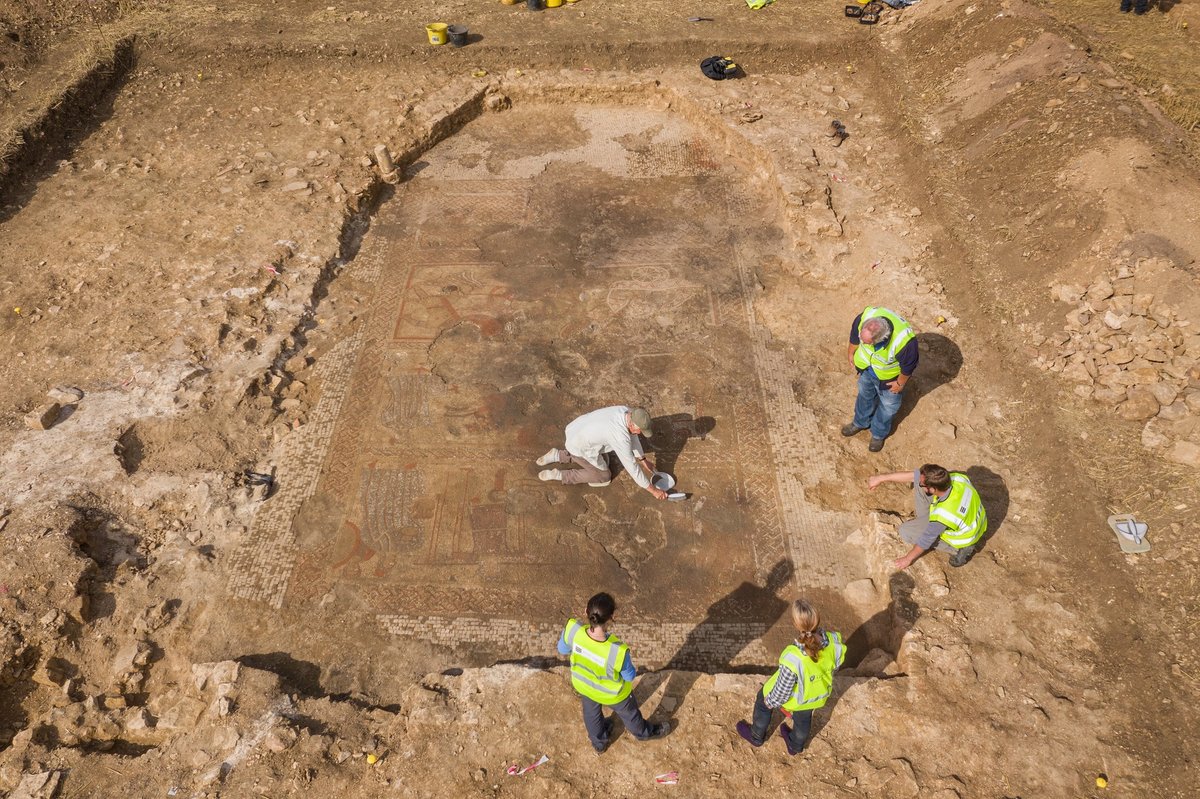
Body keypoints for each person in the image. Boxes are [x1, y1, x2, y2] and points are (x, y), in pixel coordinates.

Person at [557, 592, 670, 753]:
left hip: (584, 686)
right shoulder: (617, 651)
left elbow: (562, 649)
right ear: (611, 617)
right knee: (630, 715)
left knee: (591, 715)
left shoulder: (572, 630)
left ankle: (599, 744)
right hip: (613, 694)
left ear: (586, 611)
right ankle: (643, 734)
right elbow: (629, 676)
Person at [736, 599, 844, 755]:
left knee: (762, 702)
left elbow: (782, 690)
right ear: (817, 620)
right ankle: (795, 746)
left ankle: (756, 736)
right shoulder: (833, 640)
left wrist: (771, 702)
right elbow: (836, 664)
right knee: (804, 719)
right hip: (815, 695)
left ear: (796, 625)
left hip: (797, 698)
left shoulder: (793, 657)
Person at [868, 464, 987, 569]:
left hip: (965, 536)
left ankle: (959, 549)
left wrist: (908, 559)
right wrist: (881, 478)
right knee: (920, 485)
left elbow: (926, 539)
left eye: (924, 485)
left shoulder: (945, 514)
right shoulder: (956, 478)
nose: (919, 483)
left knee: (906, 532)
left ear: (933, 489)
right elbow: (915, 477)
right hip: (971, 518)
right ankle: (924, 522)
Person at [536, 406, 667, 499]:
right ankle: (560, 475)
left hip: (576, 429)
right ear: (632, 424)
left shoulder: (626, 411)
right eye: (640, 431)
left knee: (604, 457)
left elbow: (633, 436)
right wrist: (654, 490)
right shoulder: (619, 436)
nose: (640, 434)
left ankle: (557, 455)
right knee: (603, 476)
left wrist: (643, 460)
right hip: (578, 446)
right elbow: (632, 467)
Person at [841, 306, 917, 452]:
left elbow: (909, 366)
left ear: (881, 339)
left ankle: (878, 434)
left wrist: (900, 383)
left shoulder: (905, 342)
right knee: (865, 395)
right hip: (867, 370)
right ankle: (860, 422)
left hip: (889, 379)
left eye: (867, 342)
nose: (864, 343)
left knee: (888, 407)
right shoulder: (864, 317)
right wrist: (851, 352)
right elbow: (854, 336)